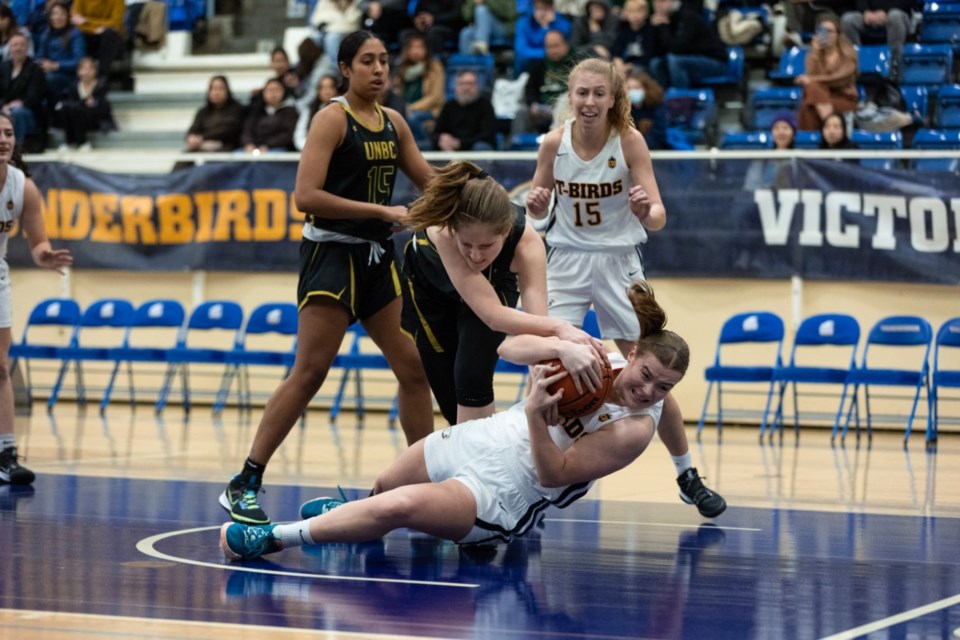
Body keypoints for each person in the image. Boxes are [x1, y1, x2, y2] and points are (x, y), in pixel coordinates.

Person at [220, 281, 688, 560]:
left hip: (508, 489)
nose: (648, 391)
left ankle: (275, 538)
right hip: (483, 437)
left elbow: (553, 474)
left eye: (663, 388)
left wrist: (532, 414)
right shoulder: (596, 356)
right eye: (646, 375)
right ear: (631, 355)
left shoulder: (636, 429)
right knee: (383, 488)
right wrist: (562, 343)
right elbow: (507, 348)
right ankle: (347, 520)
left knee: (397, 506)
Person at [219, 30, 435, 526]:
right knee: (311, 371)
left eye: (384, 60)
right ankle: (245, 480)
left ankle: (423, 483)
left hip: (378, 260)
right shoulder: (331, 119)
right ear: (345, 68)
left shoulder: (394, 123)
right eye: (367, 61)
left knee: (414, 367)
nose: (379, 69)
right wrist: (380, 210)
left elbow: (429, 179)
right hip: (331, 257)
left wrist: (471, 186)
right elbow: (306, 196)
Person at [525, 57, 726, 518]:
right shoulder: (553, 144)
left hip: (619, 262)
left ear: (614, 98)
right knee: (543, 368)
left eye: (599, 93)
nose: (590, 101)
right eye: (581, 93)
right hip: (568, 262)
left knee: (650, 367)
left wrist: (643, 209)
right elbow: (536, 217)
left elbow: (658, 217)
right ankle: (532, 480)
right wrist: (536, 205)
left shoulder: (630, 141)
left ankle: (686, 473)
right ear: (569, 97)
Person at [400, 160, 603, 425]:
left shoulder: (527, 245)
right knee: (450, 398)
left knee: (472, 375)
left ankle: (480, 460)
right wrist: (561, 329)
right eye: (468, 243)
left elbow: (534, 330)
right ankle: (440, 460)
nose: (475, 255)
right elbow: (495, 316)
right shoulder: (443, 231)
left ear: (506, 232)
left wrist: (544, 392)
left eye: (486, 245)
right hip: (430, 287)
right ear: (454, 230)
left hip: (493, 288)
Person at [0, 110, 73, 484]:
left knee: (0, 366)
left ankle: (6, 452)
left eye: (9, 133)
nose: (3, 139)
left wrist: (43, 253)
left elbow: (36, 241)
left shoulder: (22, 186)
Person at [795, 15, 857, 131]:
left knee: (811, 89)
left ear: (838, 35)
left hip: (844, 99)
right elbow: (810, 76)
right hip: (819, 99)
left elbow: (840, 79)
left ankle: (824, 130)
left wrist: (813, 80)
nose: (826, 35)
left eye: (830, 31)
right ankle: (828, 124)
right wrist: (815, 54)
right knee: (806, 108)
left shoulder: (848, 54)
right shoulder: (813, 55)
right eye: (822, 31)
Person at [648, 0, 728, 90]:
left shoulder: (687, 16)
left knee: (675, 61)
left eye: (663, 1)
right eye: (655, 2)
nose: (658, 5)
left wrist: (663, 27)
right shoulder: (662, 20)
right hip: (688, 60)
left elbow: (677, 49)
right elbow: (656, 50)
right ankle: (663, 98)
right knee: (656, 63)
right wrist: (655, 29)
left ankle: (681, 99)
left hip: (714, 61)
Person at [50, 56, 115, 150]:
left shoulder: (101, 85)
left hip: (95, 118)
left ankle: (82, 141)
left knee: (77, 109)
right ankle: (69, 141)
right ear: (78, 71)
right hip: (76, 117)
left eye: (90, 69)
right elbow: (71, 103)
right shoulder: (74, 86)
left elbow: (105, 108)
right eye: (84, 69)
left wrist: (95, 103)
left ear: (95, 71)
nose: (87, 72)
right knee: (67, 109)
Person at [395, 32, 445, 149]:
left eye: (419, 47)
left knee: (413, 117)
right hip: (405, 109)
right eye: (412, 47)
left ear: (426, 49)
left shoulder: (435, 67)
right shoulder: (402, 69)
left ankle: (423, 145)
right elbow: (398, 93)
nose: (415, 51)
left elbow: (436, 96)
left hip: (429, 111)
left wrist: (412, 107)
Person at [841, 0, 911, 82]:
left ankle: (894, 67)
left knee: (894, 16)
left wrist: (885, 11)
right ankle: (856, 66)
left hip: (897, 13)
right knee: (848, 20)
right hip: (870, 15)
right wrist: (865, 11)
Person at [34, 1, 86, 105]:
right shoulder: (46, 34)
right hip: (49, 72)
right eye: (54, 14)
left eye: (62, 14)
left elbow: (79, 62)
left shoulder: (75, 34)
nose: (58, 17)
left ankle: (58, 110)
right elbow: (39, 57)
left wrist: (56, 65)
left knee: (49, 79)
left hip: (69, 75)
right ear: (50, 17)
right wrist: (41, 64)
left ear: (68, 16)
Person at [433, 70, 498, 152]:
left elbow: (487, 136)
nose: (466, 88)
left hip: (474, 149)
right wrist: (442, 138)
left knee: (481, 147)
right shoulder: (449, 106)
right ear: (456, 87)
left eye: (470, 84)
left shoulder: (486, 106)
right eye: (462, 84)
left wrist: (460, 143)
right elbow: (436, 133)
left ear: (477, 86)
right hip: (450, 150)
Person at [0, 33, 46, 150]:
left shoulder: (35, 68)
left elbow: (34, 97)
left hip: (28, 111)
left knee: (17, 112)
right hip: (5, 107)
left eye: (22, 45)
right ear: (10, 48)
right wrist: (4, 106)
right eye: (15, 45)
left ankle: (15, 148)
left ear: (27, 48)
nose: (18, 48)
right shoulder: (3, 67)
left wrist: (13, 105)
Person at [185, 75, 246, 153]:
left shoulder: (237, 109)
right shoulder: (203, 112)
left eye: (220, 89)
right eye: (213, 89)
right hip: (200, 148)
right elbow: (192, 130)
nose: (216, 93)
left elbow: (228, 131)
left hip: (227, 149)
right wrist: (191, 138)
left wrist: (202, 138)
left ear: (227, 90)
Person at [69, 0, 126, 82]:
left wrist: (87, 21)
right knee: (77, 33)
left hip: (111, 40)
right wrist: (96, 27)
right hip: (88, 35)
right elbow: (75, 19)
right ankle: (79, 76)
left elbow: (116, 23)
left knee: (109, 33)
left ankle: (101, 77)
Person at [240, 77, 299, 153]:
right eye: (270, 90)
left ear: (284, 92)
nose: (273, 94)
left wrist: (268, 145)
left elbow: (288, 135)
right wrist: (248, 144)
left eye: (277, 90)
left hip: (278, 148)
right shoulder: (257, 110)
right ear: (263, 92)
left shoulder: (290, 111)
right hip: (255, 147)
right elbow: (247, 130)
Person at [514, 0, 572, 76]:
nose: (542, 13)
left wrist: (548, 26)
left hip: (556, 63)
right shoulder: (524, 22)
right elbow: (521, 50)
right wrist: (546, 53)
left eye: (546, 9)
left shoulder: (561, 22)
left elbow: (565, 45)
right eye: (538, 8)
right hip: (530, 65)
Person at [294, 73, 339, 151]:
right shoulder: (309, 110)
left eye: (330, 87)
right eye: (322, 88)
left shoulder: (343, 110)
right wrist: (312, 148)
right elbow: (299, 136)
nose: (326, 91)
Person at [611, 0, 656, 76]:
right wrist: (618, 61)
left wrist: (630, 66)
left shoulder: (650, 30)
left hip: (641, 66)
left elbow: (649, 54)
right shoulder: (624, 30)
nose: (635, 15)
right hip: (624, 65)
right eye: (631, 12)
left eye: (639, 12)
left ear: (646, 13)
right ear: (625, 14)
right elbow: (616, 49)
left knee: (636, 72)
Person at [627, 68, 668, 150]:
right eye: (629, 88)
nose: (632, 92)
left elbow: (659, 134)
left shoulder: (657, 104)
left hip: (655, 150)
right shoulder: (625, 108)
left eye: (636, 88)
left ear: (646, 88)